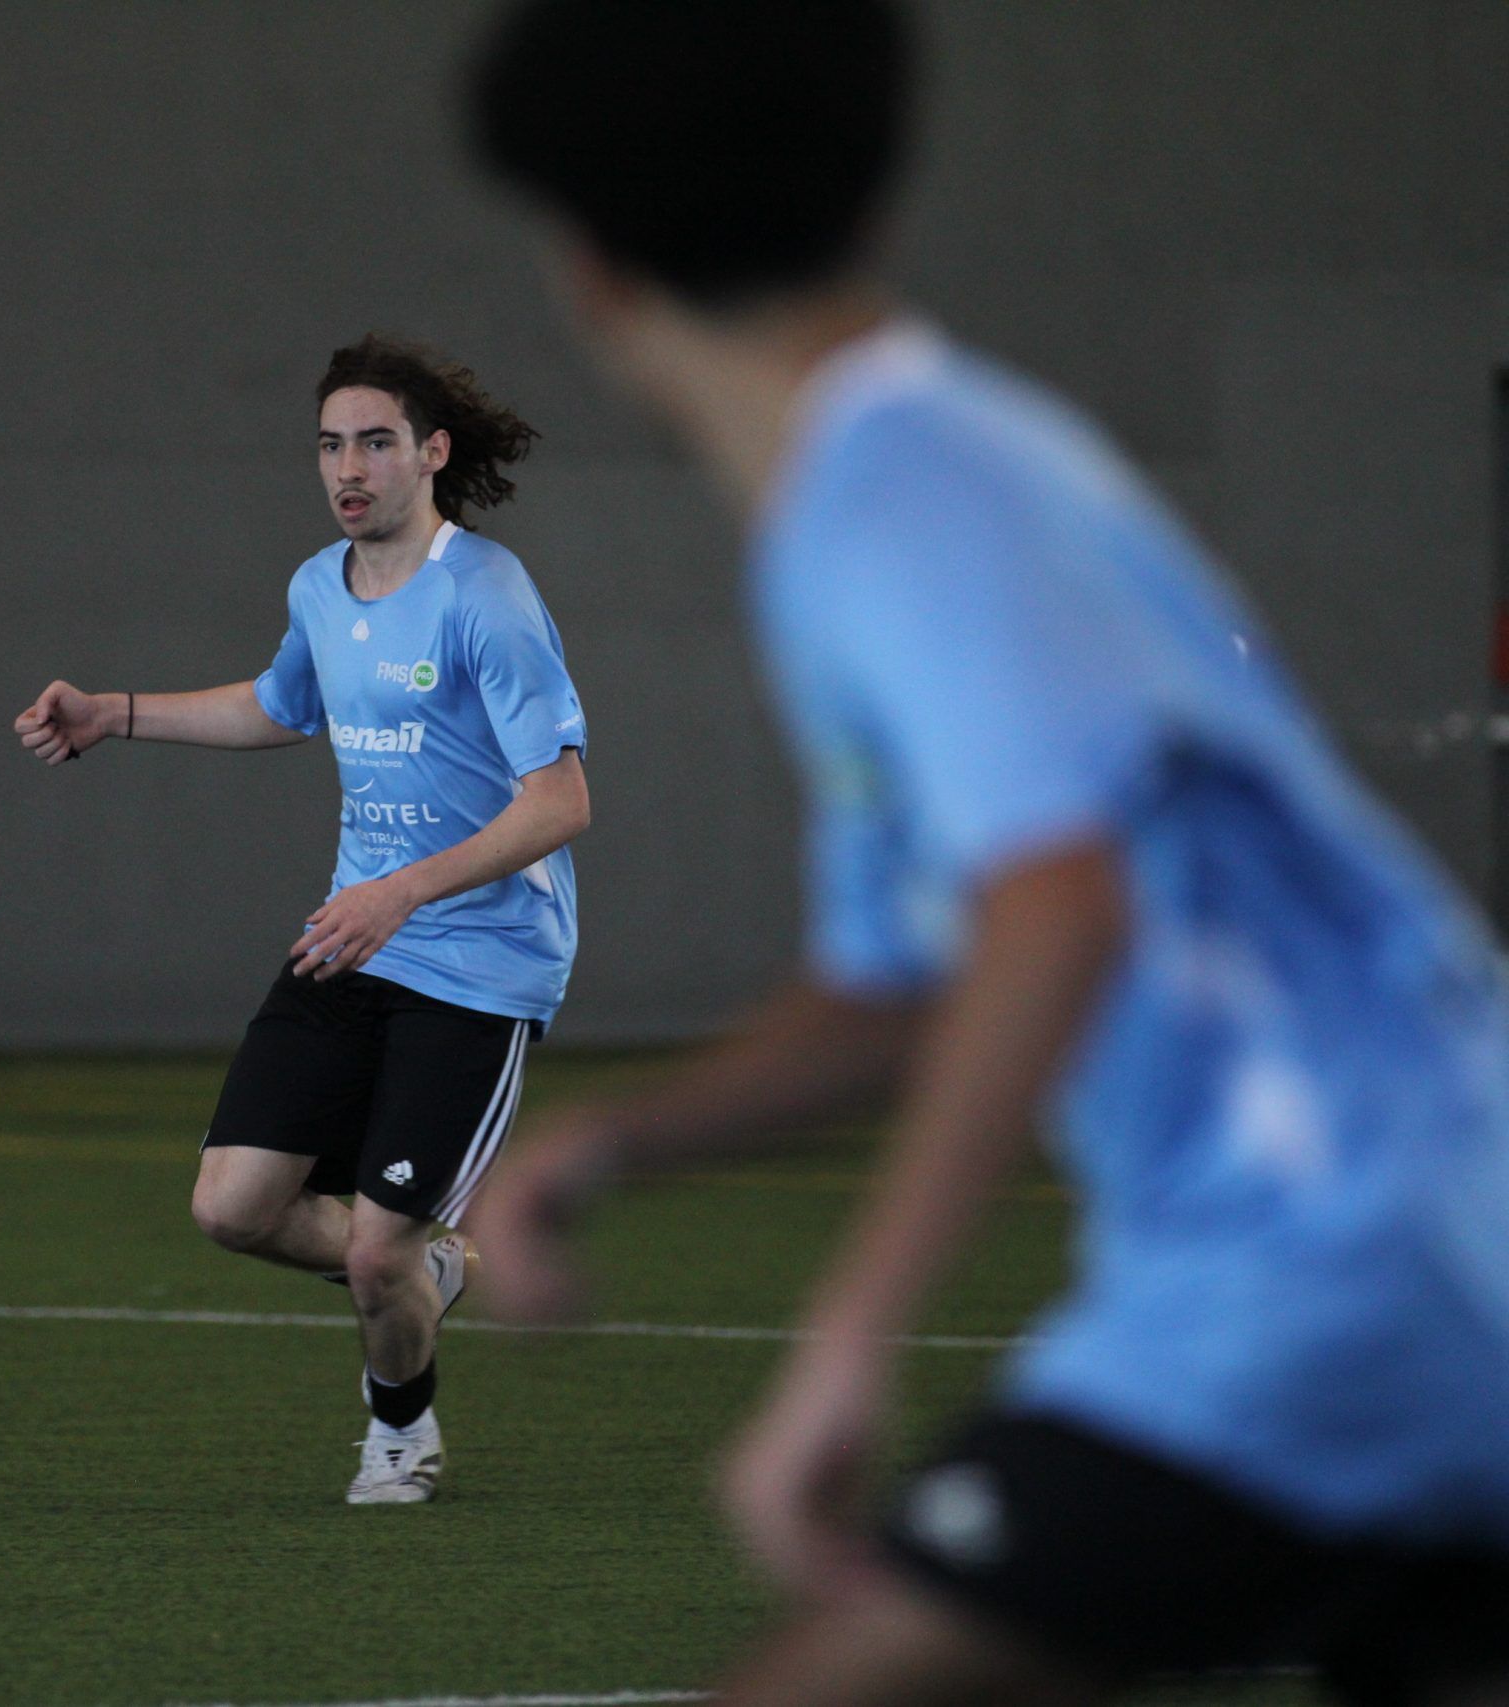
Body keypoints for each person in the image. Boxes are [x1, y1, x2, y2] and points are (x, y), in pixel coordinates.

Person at [466, 3, 1509, 1700]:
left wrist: (848, 1332)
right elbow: (907, 982)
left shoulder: (891, 500)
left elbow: (1057, 903)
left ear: (586, 271)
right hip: (1445, 1223)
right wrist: (615, 1142)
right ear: (876, 209)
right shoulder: (972, 459)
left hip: (1317, 1261)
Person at [15, 336, 591, 1504]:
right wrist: (111, 712)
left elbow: (561, 802)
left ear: (431, 453)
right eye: (331, 445)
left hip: (478, 966)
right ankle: (423, 1268)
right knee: (230, 1209)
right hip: (353, 941)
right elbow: (282, 706)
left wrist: (402, 889)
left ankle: (399, 1434)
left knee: (374, 1255)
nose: (349, 468)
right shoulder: (319, 587)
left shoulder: (486, 597)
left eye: (375, 442)